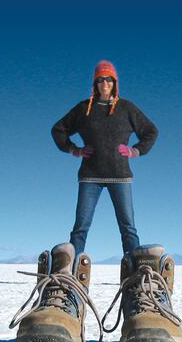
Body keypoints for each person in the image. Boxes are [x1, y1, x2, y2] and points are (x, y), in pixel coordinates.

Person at [52, 60, 158, 258]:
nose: (105, 83)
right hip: (90, 176)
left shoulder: (127, 108)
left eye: (109, 79)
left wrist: (136, 151)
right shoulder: (84, 109)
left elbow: (151, 131)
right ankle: (72, 273)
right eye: (100, 80)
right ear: (95, 83)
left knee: (128, 227)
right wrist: (74, 150)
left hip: (120, 176)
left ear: (115, 82)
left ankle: (133, 272)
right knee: (80, 227)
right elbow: (59, 130)